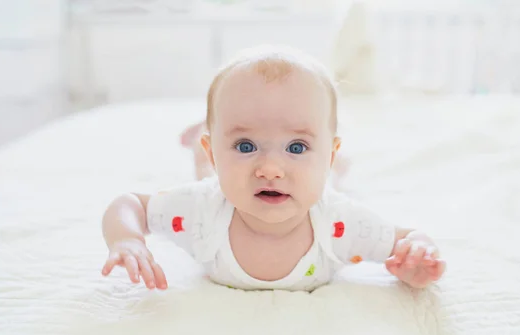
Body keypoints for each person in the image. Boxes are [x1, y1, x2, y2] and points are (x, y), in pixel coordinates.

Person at [101, 45, 446, 291]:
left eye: (297, 147)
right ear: (217, 148)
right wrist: (127, 241)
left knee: (334, 184)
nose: (270, 169)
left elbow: (408, 238)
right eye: (245, 145)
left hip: (322, 182)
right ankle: (201, 140)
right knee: (205, 174)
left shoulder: (341, 222)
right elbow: (129, 204)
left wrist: (416, 260)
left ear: (325, 154)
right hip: (217, 179)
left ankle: (324, 164)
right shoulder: (200, 209)